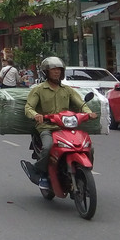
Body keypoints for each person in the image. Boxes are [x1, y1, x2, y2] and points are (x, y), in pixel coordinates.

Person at [23, 56, 97, 189]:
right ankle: (38, 170)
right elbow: (29, 107)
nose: (56, 72)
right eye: (53, 70)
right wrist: (36, 115)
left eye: (59, 70)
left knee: (88, 146)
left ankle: (83, 173)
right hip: (46, 127)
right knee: (47, 147)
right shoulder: (39, 89)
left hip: (66, 127)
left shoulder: (67, 90)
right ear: (46, 72)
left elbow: (81, 104)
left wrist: (88, 112)